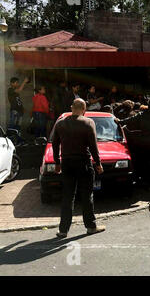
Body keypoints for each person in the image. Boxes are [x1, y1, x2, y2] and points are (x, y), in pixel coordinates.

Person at [52, 98, 105, 238]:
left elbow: (55, 144)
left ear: (71, 107)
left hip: (67, 163)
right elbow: (93, 145)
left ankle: (63, 230)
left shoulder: (60, 124)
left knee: (67, 196)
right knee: (87, 196)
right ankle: (91, 226)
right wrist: (98, 163)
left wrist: (57, 162)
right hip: (83, 163)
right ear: (84, 110)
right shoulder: (88, 122)